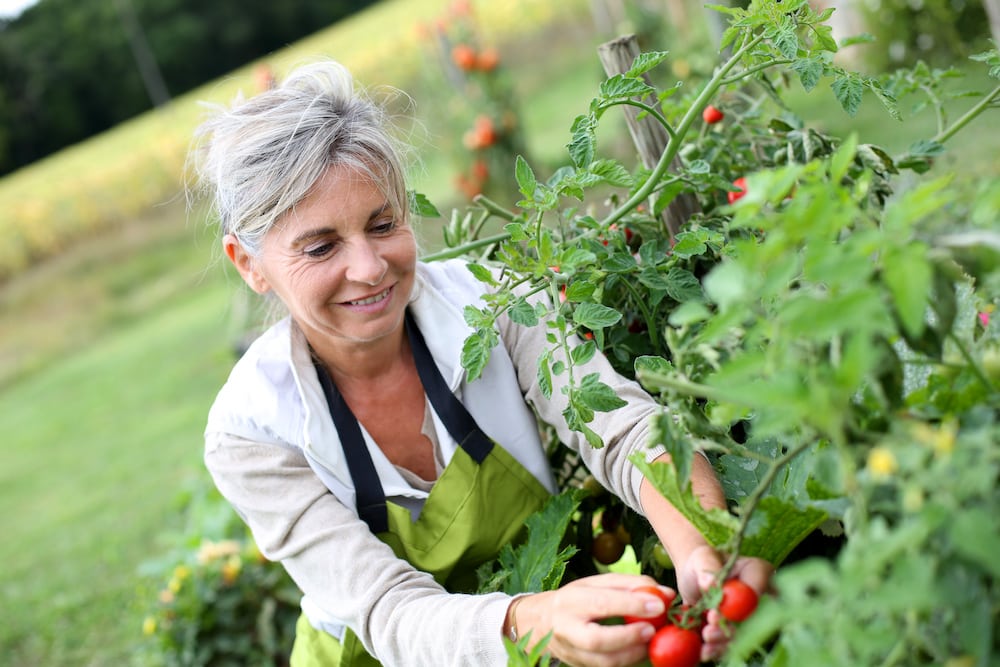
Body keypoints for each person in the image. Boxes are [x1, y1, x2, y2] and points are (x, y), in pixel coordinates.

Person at [192, 59, 772, 667]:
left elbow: (624, 433)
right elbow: (388, 610)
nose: (368, 267)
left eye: (383, 224)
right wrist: (533, 619)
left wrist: (702, 543)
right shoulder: (251, 432)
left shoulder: (496, 303)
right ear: (250, 264)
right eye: (321, 246)